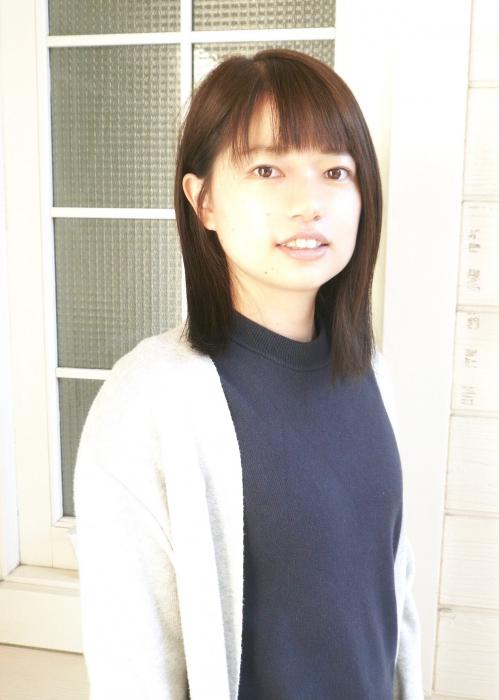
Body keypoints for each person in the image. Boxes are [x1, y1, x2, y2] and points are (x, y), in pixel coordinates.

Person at [73, 48, 424, 699]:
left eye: (335, 171)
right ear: (202, 200)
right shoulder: (148, 400)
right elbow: (132, 667)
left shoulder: (371, 372)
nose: (308, 203)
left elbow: (387, 603)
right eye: (267, 169)